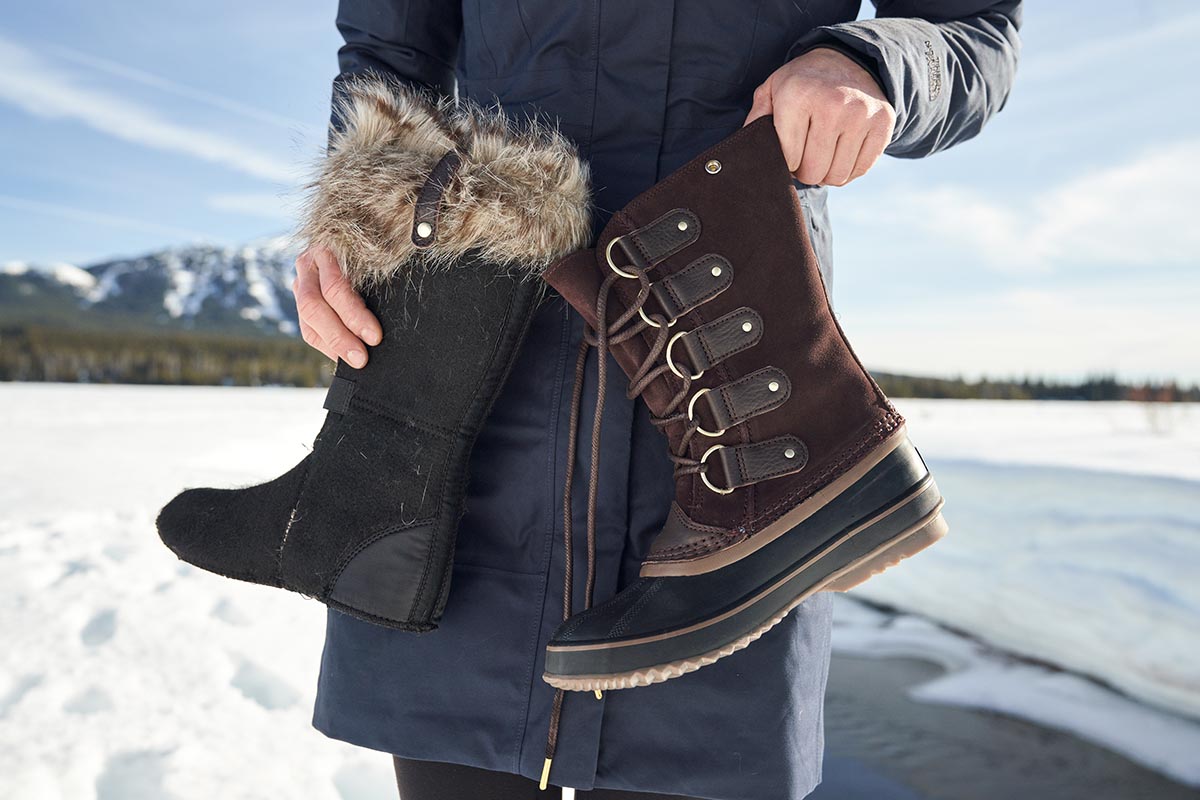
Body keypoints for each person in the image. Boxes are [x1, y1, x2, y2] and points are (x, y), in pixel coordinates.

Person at [294, 2, 1022, 798]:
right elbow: (387, 48)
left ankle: (844, 468)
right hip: (474, 397)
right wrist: (352, 214)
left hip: (740, 416)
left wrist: (873, 61)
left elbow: (974, 31)